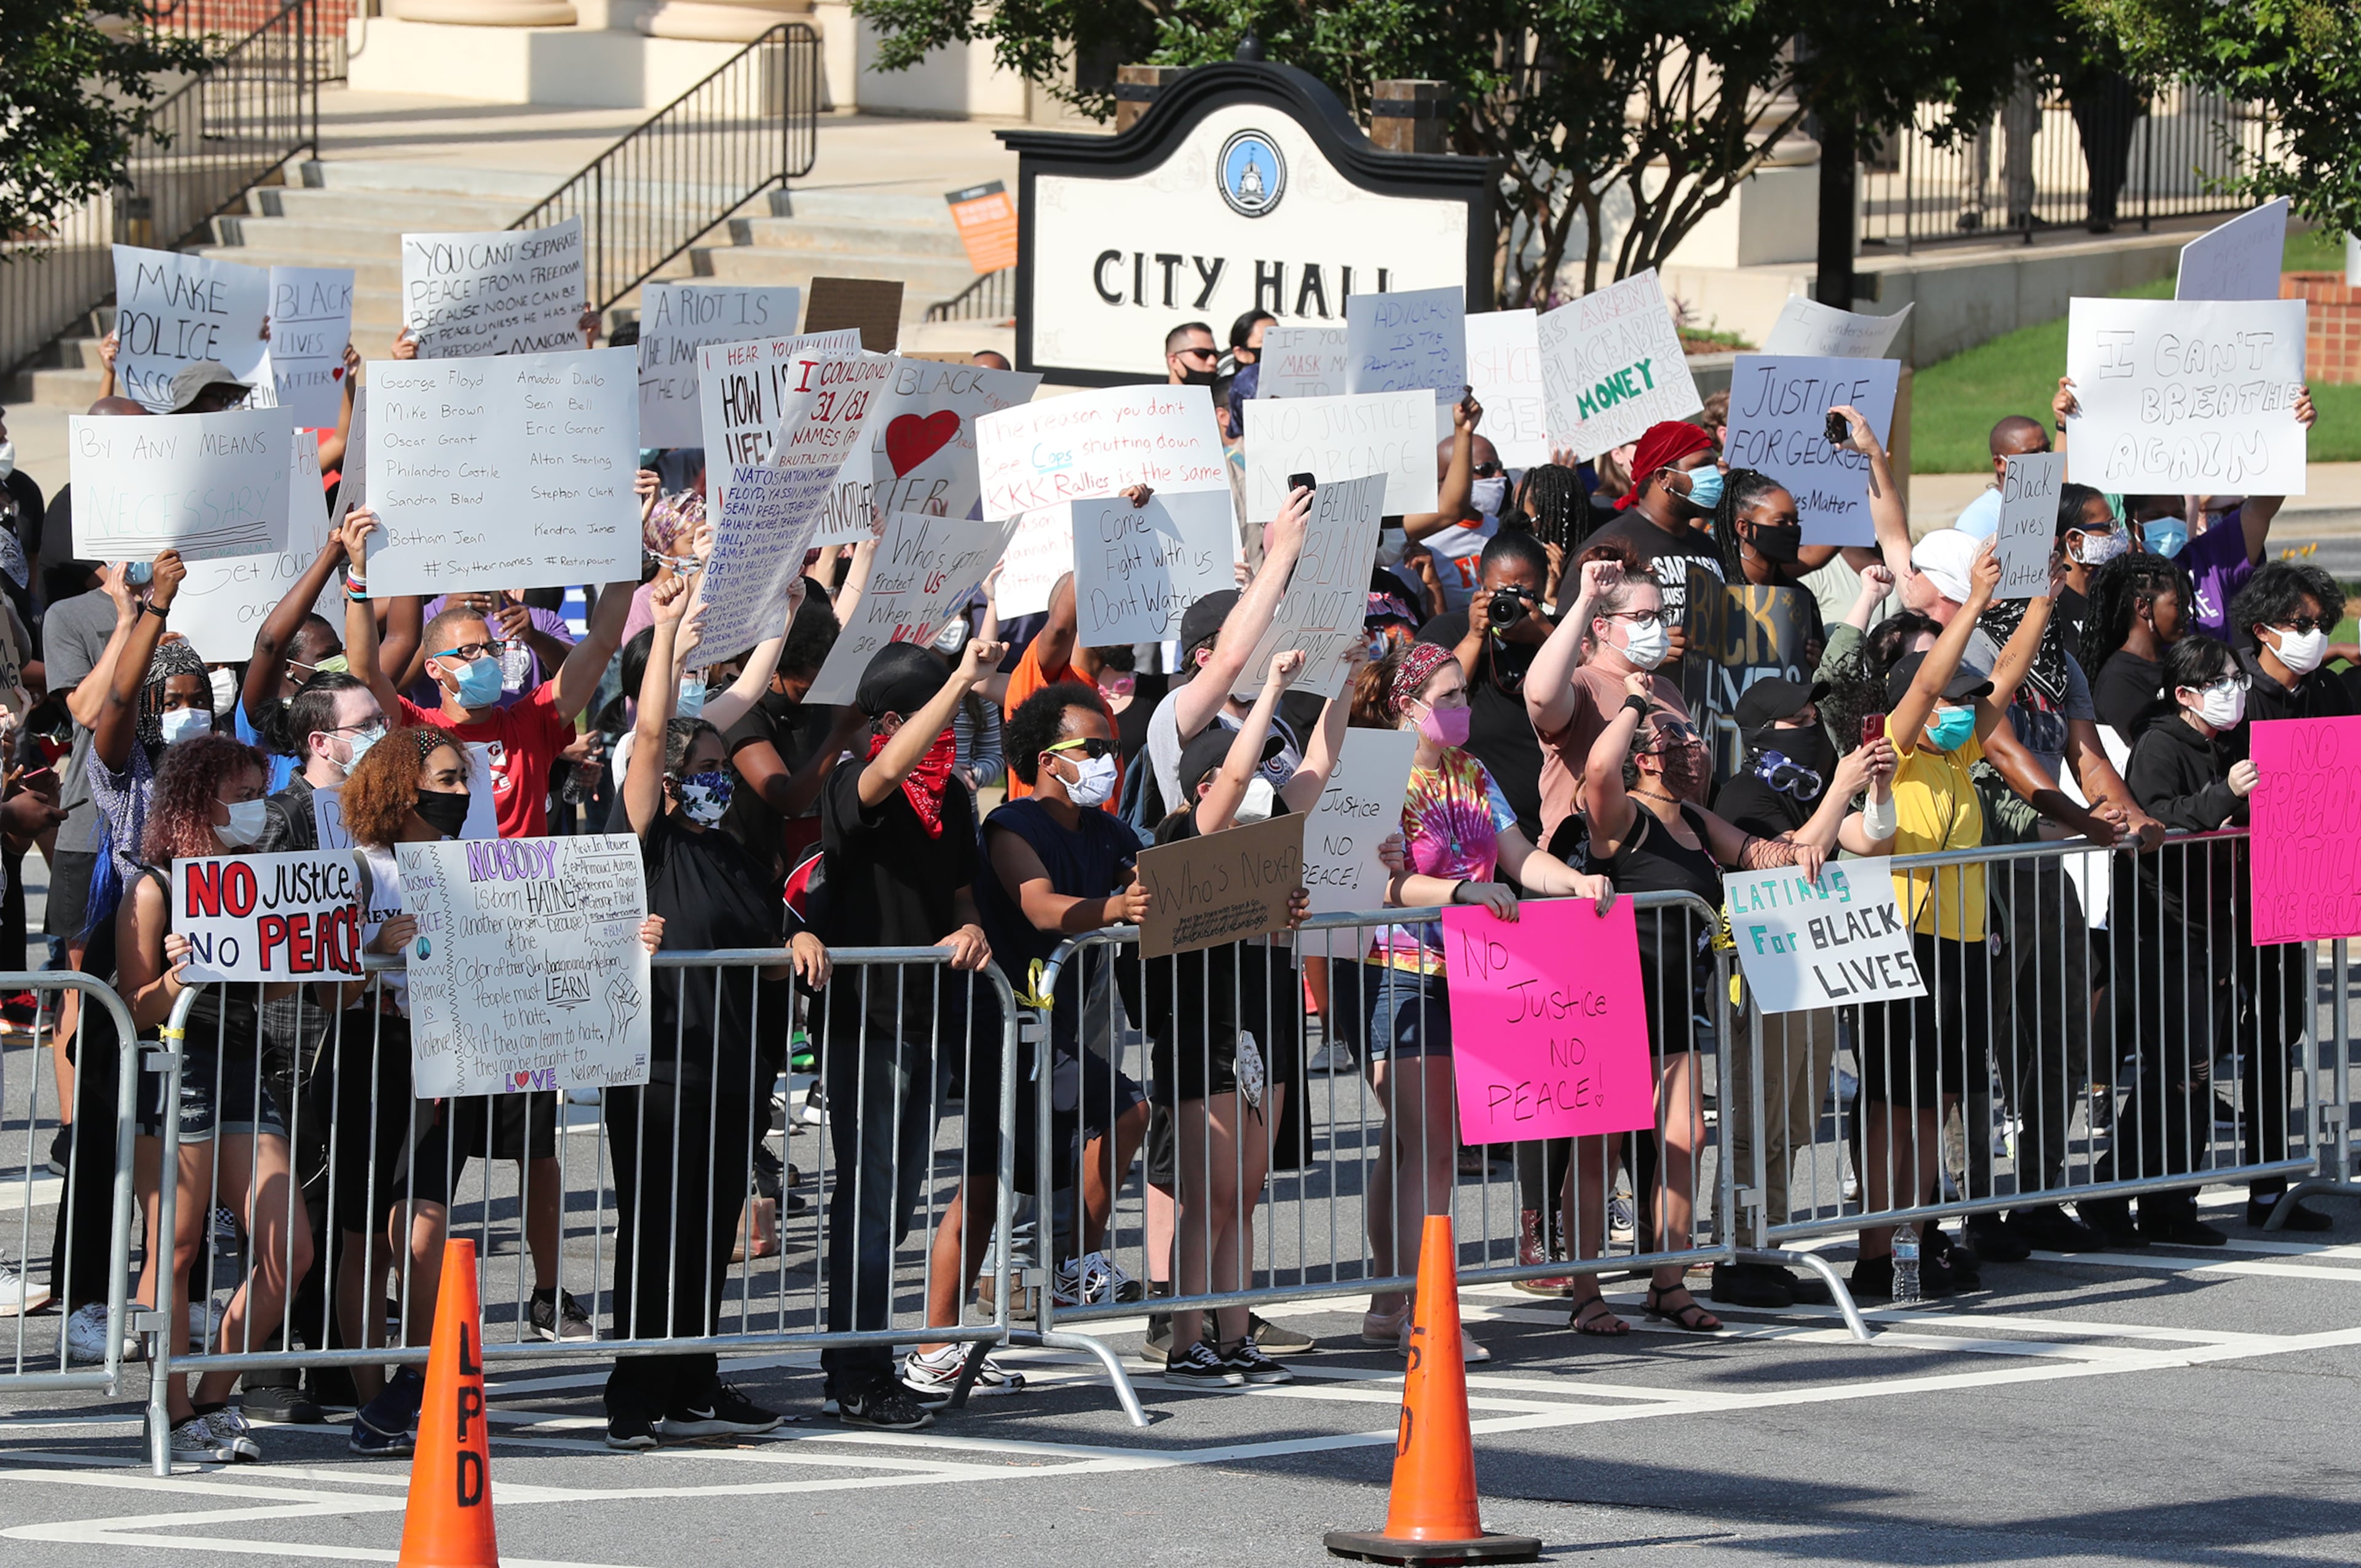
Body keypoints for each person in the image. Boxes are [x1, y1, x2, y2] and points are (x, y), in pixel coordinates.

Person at [341, 508, 627, 1338]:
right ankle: (402, 1293)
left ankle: (547, 1292)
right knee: (428, 1142)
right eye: (465, 651)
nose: (484, 661)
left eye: (489, 648)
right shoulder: (417, 733)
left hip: (520, 948)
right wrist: (360, 577)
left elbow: (600, 651)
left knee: (539, 1138)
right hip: (437, 950)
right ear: (433, 668)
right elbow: (362, 662)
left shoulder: (533, 718)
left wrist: (620, 562)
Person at [1580, 669, 1891, 1331]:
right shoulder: (1619, 815)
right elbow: (1599, 765)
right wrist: (1637, 701)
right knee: (1601, 1149)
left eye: (1693, 734)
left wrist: (1835, 804)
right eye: (1675, 737)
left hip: (1671, 997)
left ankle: (1668, 1283)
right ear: (1642, 756)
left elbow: (1774, 855)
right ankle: (1587, 1294)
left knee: (1687, 1136)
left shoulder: (1695, 817)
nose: (1691, 746)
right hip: (1606, 996)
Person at [609, 573, 827, 1448]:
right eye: (696, 773)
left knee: (708, 1230)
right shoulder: (648, 840)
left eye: (716, 771)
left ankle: (693, 1377)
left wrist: (794, 948)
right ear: (665, 783)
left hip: (737, 1065)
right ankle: (634, 1386)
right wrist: (665, 630)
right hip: (661, 1066)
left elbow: (771, 943)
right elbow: (658, 729)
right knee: (655, 1225)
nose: (712, 781)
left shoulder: (736, 857)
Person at [1361, 643, 1608, 1361]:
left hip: (1475, 972)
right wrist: (1461, 892)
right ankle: (1427, 1315)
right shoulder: (1383, 781)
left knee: (1410, 1146)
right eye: (1446, 699)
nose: (1462, 710)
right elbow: (1379, 887)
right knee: (1432, 1150)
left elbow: (1518, 854)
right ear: (1407, 708)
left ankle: (1389, 1300)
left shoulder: (1472, 772)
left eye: (1464, 696)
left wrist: (1573, 883)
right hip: (1404, 973)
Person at [1846, 537, 2051, 1299]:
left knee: (1937, 1102)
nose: (1962, 711)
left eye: (1965, 705)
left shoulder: (1956, 758)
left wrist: (2038, 605)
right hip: (1900, 946)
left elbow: (2002, 679)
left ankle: (1920, 1237)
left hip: (1961, 945)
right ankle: (1875, 1249)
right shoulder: (1896, 750)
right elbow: (1934, 679)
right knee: (1892, 1102)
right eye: (1947, 703)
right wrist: (1971, 604)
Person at [1138, 649, 1341, 1385]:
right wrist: (1277, 685)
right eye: (1251, 773)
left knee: (1244, 1195)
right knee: (1209, 1195)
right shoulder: (1180, 836)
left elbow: (1318, 769)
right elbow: (1226, 786)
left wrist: (1340, 679)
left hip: (1266, 1019)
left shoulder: (1269, 844)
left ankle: (1233, 1331)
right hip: (1204, 1025)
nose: (1262, 786)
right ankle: (1185, 1336)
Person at [815, 639, 999, 1432]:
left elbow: (962, 892)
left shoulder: (953, 802)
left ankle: (869, 1357)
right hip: (869, 1019)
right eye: (941, 712)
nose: (951, 728)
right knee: (870, 1198)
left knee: (899, 1200)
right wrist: (959, 674)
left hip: (929, 1020)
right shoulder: (856, 783)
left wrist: (967, 929)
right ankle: (856, 1371)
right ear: (893, 720)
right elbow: (883, 777)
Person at [116, 734, 314, 1463]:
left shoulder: (258, 882)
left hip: (241, 1063)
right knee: (176, 1244)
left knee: (287, 1248)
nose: (257, 809)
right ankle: (167, 1409)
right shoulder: (155, 888)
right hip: (175, 1068)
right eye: (242, 795)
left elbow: (281, 987)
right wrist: (175, 977)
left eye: (261, 791)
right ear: (198, 803)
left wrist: (303, 946)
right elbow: (132, 1006)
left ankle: (211, 1396)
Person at [1707, 678, 1898, 1307]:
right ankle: (1738, 1249)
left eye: (1816, 714)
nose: (1813, 726)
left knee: (1793, 1118)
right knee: (1754, 1119)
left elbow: (1870, 841)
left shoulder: (1814, 791)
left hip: (1813, 969)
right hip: (1759, 973)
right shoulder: (1743, 794)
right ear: (1766, 734)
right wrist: (1841, 786)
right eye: (1799, 720)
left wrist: (1876, 789)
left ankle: (1772, 1241)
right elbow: (1792, 856)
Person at [974, 686, 1155, 1313]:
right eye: (1094, 747)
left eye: (1112, 747)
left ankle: (1076, 1261)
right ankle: (996, 1292)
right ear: (1049, 758)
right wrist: (1115, 908)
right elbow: (1040, 906)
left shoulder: (1109, 830)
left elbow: (1166, 891)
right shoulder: (1010, 825)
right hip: (1008, 1024)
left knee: (1128, 1111)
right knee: (1007, 1172)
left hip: (1059, 1026)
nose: (1108, 759)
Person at [2088, 633, 2252, 1246]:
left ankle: (2173, 1202)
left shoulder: (2226, 742)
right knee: (2177, 1071)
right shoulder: (2159, 744)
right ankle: (2113, 1194)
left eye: (2237, 680)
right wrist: (2224, 796)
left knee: (2195, 1072)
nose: (2234, 692)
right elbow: (2159, 822)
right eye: (2220, 684)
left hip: (2212, 922)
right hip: (2162, 925)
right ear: (2185, 694)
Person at [2218, 562, 2349, 1232]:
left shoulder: (2324, 691)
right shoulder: (2237, 694)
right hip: (2233, 891)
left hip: (2302, 886)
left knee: (2286, 1031)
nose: (2314, 635)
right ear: (2265, 628)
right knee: (2245, 1034)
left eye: (2324, 625)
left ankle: (2274, 1180)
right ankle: (2249, 1183)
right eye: (2302, 624)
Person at [1139, 483, 1314, 815]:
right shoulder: (1176, 715)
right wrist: (1283, 550)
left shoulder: (1278, 728)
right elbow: (1231, 661)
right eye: (1252, 638)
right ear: (1205, 659)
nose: (1265, 647)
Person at [1527, 556, 1704, 845]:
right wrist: (1588, 599)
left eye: (1661, 616)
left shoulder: (1667, 689)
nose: (1656, 627)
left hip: (1672, 866)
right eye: (1643, 617)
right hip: (1590, 872)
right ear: (1601, 627)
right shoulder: (1584, 685)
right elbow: (1541, 697)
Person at [1416, 532, 1554, 839]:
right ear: (1481, 586)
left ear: (1545, 590)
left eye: (1525, 594)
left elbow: (1592, 682)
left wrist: (1543, 635)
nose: (1512, 603)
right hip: (1472, 820)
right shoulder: (1449, 630)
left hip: (1554, 818)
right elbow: (1430, 699)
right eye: (1501, 592)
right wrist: (1475, 636)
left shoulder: (1560, 634)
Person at [1578, 420, 1728, 639]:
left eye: (1714, 465)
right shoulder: (1609, 548)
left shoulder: (1709, 548)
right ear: (1663, 477)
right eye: (1701, 466)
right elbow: (1574, 640)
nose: (1714, 476)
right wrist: (1642, 649)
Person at [2081, 553, 2195, 750]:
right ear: (2143, 607)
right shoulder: (2118, 680)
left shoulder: (2173, 662)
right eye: (2179, 605)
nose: (2188, 613)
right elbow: (2148, 753)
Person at [1948, 416, 2052, 539]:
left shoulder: (2052, 502)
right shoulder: (1979, 520)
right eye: (2031, 455)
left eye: (2047, 450)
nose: (2044, 460)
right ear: (2000, 463)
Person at [1164, 321, 1217, 386]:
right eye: (1202, 353)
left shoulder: (1225, 393)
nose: (1212, 361)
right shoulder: (1152, 395)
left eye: (1216, 355)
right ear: (1174, 361)